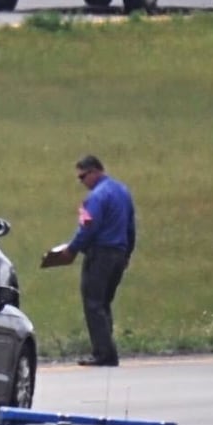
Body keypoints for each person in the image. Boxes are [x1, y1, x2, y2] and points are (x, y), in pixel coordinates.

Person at [51, 154, 136, 367]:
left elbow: (88, 227)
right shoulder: (123, 191)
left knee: (93, 304)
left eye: (83, 177)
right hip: (118, 254)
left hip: (100, 255)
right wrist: (127, 254)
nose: (82, 182)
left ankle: (104, 354)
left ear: (94, 171)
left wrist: (71, 250)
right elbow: (131, 227)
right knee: (104, 303)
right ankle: (107, 350)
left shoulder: (96, 197)